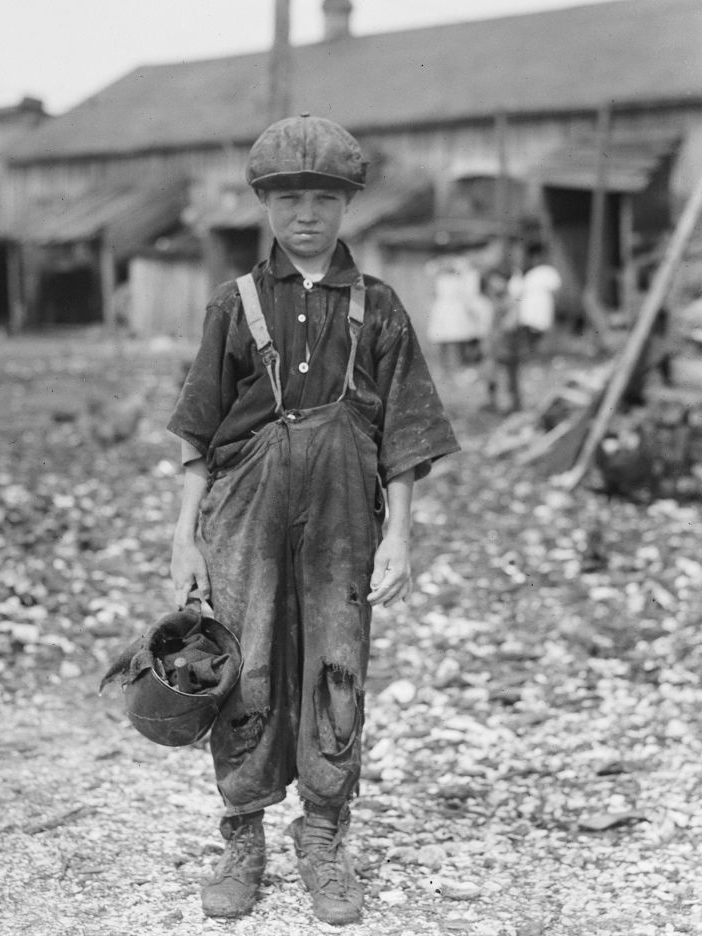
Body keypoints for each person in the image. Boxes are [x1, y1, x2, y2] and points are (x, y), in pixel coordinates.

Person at [167, 114, 459, 926]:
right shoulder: (234, 305)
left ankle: (325, 835)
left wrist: (401, 533)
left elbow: (404, 435)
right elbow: (197, 430)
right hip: (243, 516)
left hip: (342, 521)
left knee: (338, 667)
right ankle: (244, 836)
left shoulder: (381, 307)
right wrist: (183, 535)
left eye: (323, 199)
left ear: (346, 206)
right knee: (246, 668)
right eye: (290, 198)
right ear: (264, 204)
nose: (306, 214)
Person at [479, 267, 522, 413]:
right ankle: (493, 403)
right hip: (493, 344)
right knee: (491, 374)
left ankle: (513, 405)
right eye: (492, 281)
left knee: (509, 376)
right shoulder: (492, 299)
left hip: (507, 345)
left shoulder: (510, 300)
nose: (495, 284)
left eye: (498, 280)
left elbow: (511, 322)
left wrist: (501, 330)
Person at [509, 243, 562, 354]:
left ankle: (540, 354)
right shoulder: (526, 273)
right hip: (528, 310)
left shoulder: (548, 271)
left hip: (543, 307)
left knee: (541, 333)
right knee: (529, 333)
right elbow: (516, 293)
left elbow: (556, 290)